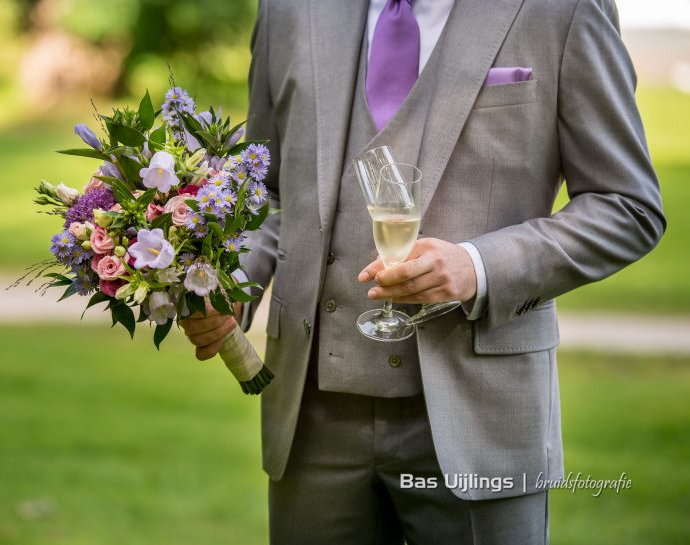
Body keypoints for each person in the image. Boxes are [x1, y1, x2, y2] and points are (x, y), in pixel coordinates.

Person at [180, 0, 665, 543]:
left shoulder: (562, 8)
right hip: (310, 424)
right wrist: (230, 284)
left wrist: (479, 267)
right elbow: (265, 189)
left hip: (482, 416)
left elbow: (627, 205)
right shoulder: (290, 9)